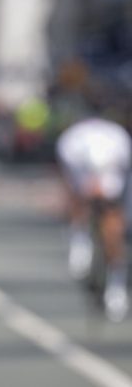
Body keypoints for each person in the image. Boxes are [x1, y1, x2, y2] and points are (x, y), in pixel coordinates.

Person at [56, 109, 131, 322]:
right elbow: (67, 177)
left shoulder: (117, 141)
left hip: (113, 182)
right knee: (78, 201)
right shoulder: (73, 142)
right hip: (81, 177)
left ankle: (116, 285)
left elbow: (124, 176)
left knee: (112, 228)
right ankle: (79, 237)